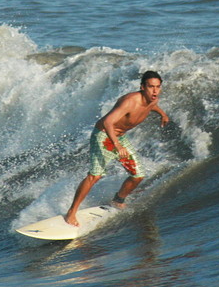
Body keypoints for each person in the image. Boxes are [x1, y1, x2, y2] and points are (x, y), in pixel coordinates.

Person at [64, 71, 169, 227]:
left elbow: (153, 106)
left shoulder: (153, 99)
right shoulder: (130, 101)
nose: (154, 91)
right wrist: (117, 145)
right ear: (142, 87)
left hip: (120, 137)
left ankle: (117, 200)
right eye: (150, 87)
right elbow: (108, 122)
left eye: (158, 87)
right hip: (104, 136)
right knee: (95, 175)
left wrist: (163, 114)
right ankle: (71, 213)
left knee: (138, 175)